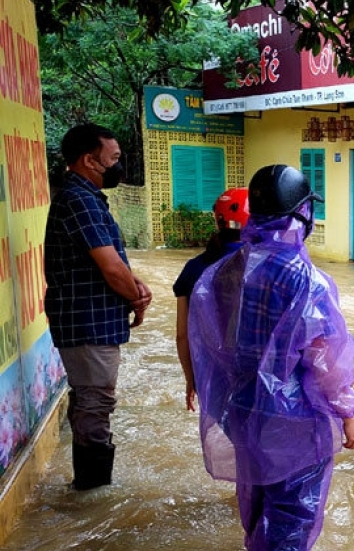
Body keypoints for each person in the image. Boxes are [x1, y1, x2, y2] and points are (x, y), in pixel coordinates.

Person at [188, 165, 354, 551]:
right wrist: (349, 415)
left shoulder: (225, 269)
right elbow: (321, 360)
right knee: (292, 520)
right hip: (294, 422)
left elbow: (214, 348)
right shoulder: (306, 278)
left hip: (240, 410)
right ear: (303, 215)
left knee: (256, 508)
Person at [44, 123, 152, 491]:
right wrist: (136, 297)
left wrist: (134, 284)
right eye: (115, 158)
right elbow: (108, 265)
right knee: (95, 401)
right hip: (87, 321)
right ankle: (91, 490)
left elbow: (112, 263)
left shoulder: (84, 197)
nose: (119, 165)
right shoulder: (80, 199)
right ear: (90, 160)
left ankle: (90, 485)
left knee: (92, 399)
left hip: (90, 318)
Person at [173, 189, 249, 411]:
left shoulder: (193, 268)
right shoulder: (264, 267)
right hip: (254, 373)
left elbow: (182, 335)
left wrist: (191, 379)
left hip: (211, 375)